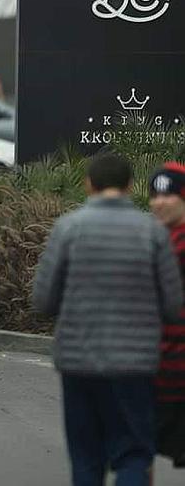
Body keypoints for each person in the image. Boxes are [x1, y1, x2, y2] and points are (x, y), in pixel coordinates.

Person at [33, 154, 183, 486]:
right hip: (135, 365)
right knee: (132, 454)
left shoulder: (67, 228)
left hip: (77, 362)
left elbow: (42, 299)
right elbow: (174, 305)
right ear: (131, 186)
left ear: (88, 184)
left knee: (86, 457)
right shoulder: (153, 234)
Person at [148, 162, 185, 471]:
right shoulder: (156, 241)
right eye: (155, 196)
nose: (159, 202)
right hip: (156, 370)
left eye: (169, 196)